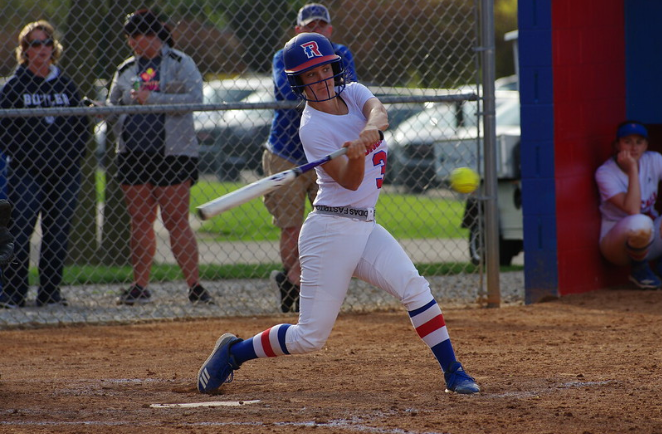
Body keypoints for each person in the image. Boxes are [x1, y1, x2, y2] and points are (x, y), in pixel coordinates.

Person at [197, 33, 479, 395]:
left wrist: (367, 131)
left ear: (334, 69)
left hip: (365, 225)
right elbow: (348, 180)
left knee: (414, 287)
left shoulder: (353, 92)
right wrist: (357, 155)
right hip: (329, 229)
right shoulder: (313, 128)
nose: (321, 81)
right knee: (309, 337)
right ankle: (234, 352)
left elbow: (380, 112)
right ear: (299, 84)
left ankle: (453, 371)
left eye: (324, 71)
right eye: (310, 76)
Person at [107, 10, 213, 306]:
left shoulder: (181, 62)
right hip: (133, 153)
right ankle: (140, 286)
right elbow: (113, 105)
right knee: (140, 220)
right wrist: (101, 109)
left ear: (155, 35)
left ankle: (195, 286)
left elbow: (195, 100)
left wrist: (152, 99)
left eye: (141, 35)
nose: (136, 42)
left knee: (176, 220)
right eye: (132, 37)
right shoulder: (126, 69)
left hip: (173, 154)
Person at [263, 3, 358, 313]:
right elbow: (290, 93)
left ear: (329, 30)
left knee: (334, 221)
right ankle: (292, 283)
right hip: (286, 153)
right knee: (291, 227)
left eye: (321, 25)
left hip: (329, 153)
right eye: (309, 26)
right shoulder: (284, 56)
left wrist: (317, 85)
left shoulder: (341, 53)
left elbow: (348, 89)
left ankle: (310, 284)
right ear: (298, 31)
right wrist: (322, 85)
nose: (316, 31)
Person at [0, 21, 89, 308]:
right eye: (34, 44)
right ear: (24, 51)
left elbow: (81, 126)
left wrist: (71, 156)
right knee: (21, 228)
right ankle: (14, 293)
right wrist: (30, 155)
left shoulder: (65, 83)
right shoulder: (15, 85)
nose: (41, 49)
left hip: (64, 172)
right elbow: (5, 130)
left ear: (54, 48)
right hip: (27, 170)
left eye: (46, 43)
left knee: (58, 230)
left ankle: (49, 292)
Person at [596, 120, 662, 289]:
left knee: (645, 223)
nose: (634, 148)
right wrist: (633, 169)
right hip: (617, 246)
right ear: (617, 145)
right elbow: (633, 209)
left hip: (650, 241)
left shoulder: (654, 160)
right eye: (627, 142)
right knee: (640, 222)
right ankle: (639, 270)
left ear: (646, 145)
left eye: (639, 142)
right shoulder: (605, 173)